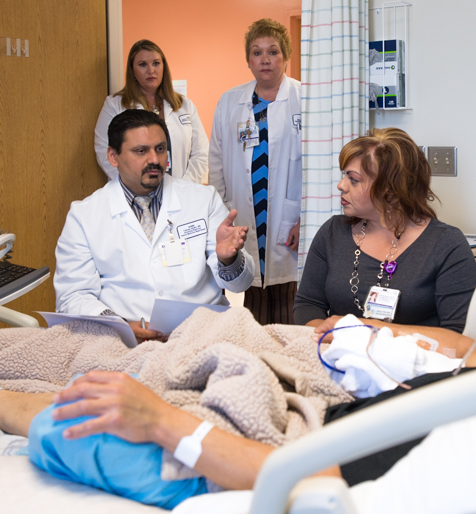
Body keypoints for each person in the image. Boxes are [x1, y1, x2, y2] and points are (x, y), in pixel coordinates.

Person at [0, 245, 476, 509]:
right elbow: (445, 346)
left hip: (285, 443)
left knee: (84, 413)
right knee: (125, 353)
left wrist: (164, 425)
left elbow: (309, 479)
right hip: (312, 387)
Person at [55, 110, 254, 343]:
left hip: (201, 334)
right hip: (122, 340)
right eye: (141, 151)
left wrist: (228, 260)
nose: (154, 160)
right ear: (113, 156)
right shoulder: (84, 215)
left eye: (160, 149)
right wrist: (120, 325)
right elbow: (73, 296)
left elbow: (241, 283)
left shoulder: (203, 199)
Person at [294, 128, 476, 341]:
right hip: (338, 358)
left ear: (390, 190)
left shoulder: (446, 245)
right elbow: (308, 305)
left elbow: (458, 336)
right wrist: (338, 339)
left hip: (415, 368)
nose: (341, 185)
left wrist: (364, 333)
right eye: (344, 175)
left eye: (353, 179)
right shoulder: (333, 232)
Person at [209, 19, 302, 325]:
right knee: (252, 286)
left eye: (273, 52)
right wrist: (222, 211)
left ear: (285, 56)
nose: (265, 59)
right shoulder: (229, 102)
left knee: (289, 289)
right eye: (257, 52)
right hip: (246, 211)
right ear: (248, 60)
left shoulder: (304, 99)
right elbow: (217, 160)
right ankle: (257, 358)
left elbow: (316, 166)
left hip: (288, 213)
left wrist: (304, 219)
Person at [95, 40, 209, 183]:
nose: (151, 70)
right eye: (143, 64)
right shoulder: (115, 105)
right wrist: (135, 185)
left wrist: (184, 187)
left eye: (156, 63)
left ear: (164, 67)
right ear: (132, 70)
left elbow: (201, 153)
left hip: (182, 192)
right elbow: (104, 151)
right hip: (135, 193)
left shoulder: (185, 106)